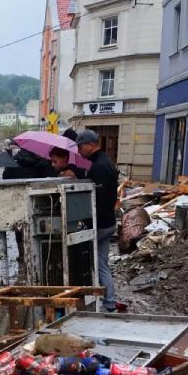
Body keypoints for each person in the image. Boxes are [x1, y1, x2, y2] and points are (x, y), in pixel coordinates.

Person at [73, 129, 120, 312]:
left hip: (100, 223)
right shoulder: (105, 162)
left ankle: (92, 302)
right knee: (102, 264)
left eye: (80, 146)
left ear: (90, 145)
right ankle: (109, 302)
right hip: (108, 222)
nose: (79, 151)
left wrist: (85, 223)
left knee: (86, 263)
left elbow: (96, 199)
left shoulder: (99, 166)